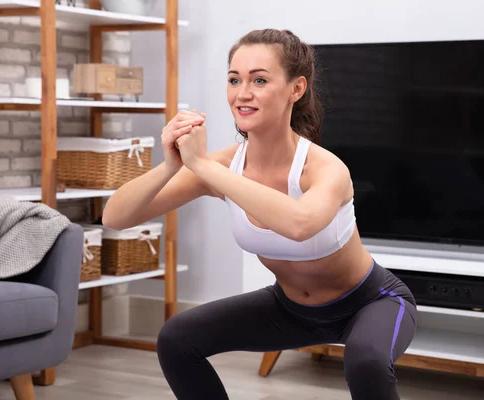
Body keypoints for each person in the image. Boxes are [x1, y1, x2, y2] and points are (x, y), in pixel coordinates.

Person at [102, 28, 418, 400]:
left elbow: (299, 225)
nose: (243, 93)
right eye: (234, 80)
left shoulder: (322, 169)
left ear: (295, 89)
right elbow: (115, 217)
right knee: (176, 338)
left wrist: (203, 166)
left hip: (371, 301)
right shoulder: (218, 167)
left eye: (259, 80)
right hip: (290, 308)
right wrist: (171, 166)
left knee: (365, 362)